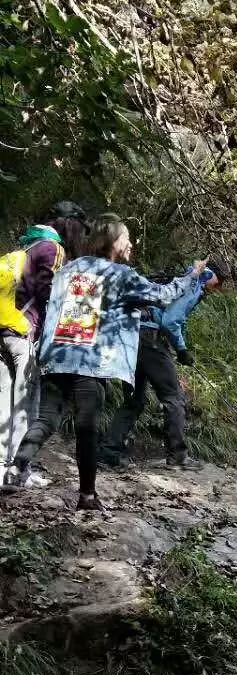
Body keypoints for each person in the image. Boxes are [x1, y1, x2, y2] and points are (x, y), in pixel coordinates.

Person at [12, 214, 207, 512]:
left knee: (46, 419)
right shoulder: (120, 275)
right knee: (86, 428)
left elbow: (54, 303)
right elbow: (164, 295)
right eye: (127, 237)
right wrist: (192, 276)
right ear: (114, 241)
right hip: (90, 362)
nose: (131, 243)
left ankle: (16, 469)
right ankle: (87, 496)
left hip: (58, 355)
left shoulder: (72, 268)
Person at [100, 254, 230, 470]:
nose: (219, 287)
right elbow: (170, 321)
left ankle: (108, 451)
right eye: (220, 281)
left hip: (132, 338)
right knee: (173, 398)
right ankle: (177, 456)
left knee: (134, 400)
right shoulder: (193, 284)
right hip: (151, 341)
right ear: (211, 273)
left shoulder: (179, 279)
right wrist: (181, 349)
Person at [0, 202, 88, 487]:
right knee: (26, 405)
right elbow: (48, 294)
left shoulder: (27, 245)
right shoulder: (54, 248)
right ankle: (20, 472)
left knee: (3, 403)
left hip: (3, 330)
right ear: (71, 225)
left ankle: (2, 467)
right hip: (25, 334)